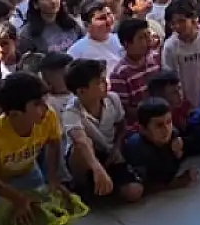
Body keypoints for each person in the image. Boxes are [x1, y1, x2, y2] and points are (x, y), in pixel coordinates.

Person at [0, 72, 70, 225]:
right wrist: (16, 198)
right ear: (14, 114)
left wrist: (53, 179)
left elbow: (54, 143)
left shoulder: (48, 116)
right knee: (3, 220)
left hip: (27, 173)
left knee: (45, 209)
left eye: (45, 101)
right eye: (37, 104)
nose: (46, 107)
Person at [60, 58, 141, 204]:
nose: (106, 83)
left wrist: (117, 148)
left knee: (134, 192)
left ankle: (105, 187)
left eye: (105, 79)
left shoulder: (112, 99)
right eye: (99, 82)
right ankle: (82, 186)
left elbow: (121, 125)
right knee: (82, 146)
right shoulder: (71, 111)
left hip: (109, 153)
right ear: (82, 91)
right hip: (86, 159)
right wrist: (97, 168)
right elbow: (81, 141)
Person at [122, 95, 197, 190]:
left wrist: (183, 145)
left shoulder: (173, 135)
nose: (166, 129)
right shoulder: (137, 150)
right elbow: (145, 185)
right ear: (143, 129)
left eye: (169, 122)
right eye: (159, 125)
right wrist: (177, 182)